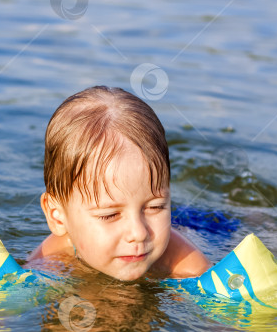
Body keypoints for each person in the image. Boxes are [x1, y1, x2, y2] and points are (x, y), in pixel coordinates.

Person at [27, 85, 212, 281]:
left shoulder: (188, 265)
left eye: (156, 207)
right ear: (58, 217)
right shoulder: (49, 260)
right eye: (110, 215)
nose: (139, 233)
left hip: (203, 227)